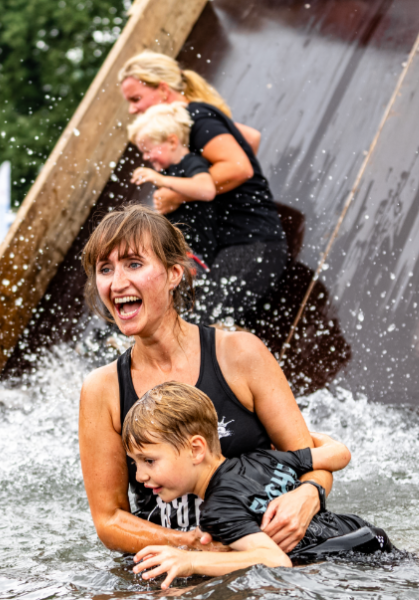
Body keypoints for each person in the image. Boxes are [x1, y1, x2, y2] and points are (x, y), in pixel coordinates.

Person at [79, 205, 334, 555]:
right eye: (105, 269)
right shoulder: (102, 389)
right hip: (172, 565)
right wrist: (192, 546)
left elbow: (311, 462)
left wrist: (309, 496)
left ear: (174, 274)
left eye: (134, 264)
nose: (117, 282)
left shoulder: (240, 354)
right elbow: (109, 520)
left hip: (272, 553)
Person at [126, 382, 395, 589]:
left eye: (149, 460)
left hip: (352, 562)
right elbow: (340, 454)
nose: (139, 476)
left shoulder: (218, 509)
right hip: (366, 535)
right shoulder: (261, 458)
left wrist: (189, 561)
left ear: (197, 449)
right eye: (135, 463)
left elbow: (275, 561)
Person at [119, 51, 289, 324]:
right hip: (231, 248)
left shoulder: (196, 117)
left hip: (250, 242)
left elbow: (240, 166)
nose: (131, 109)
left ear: (163, 91)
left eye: (136, 99)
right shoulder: (190, 123)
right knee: (192, 327)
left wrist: (177, 194)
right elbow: (250, 139)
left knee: (198, 330)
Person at [128, 102, 217, 266]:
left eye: (148, 150)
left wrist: (162, 181)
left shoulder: (190, 162)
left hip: (207, 251)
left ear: (172, 142)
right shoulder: (165, 173)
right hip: (188, 253)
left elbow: (207, 189)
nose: (146, 157)